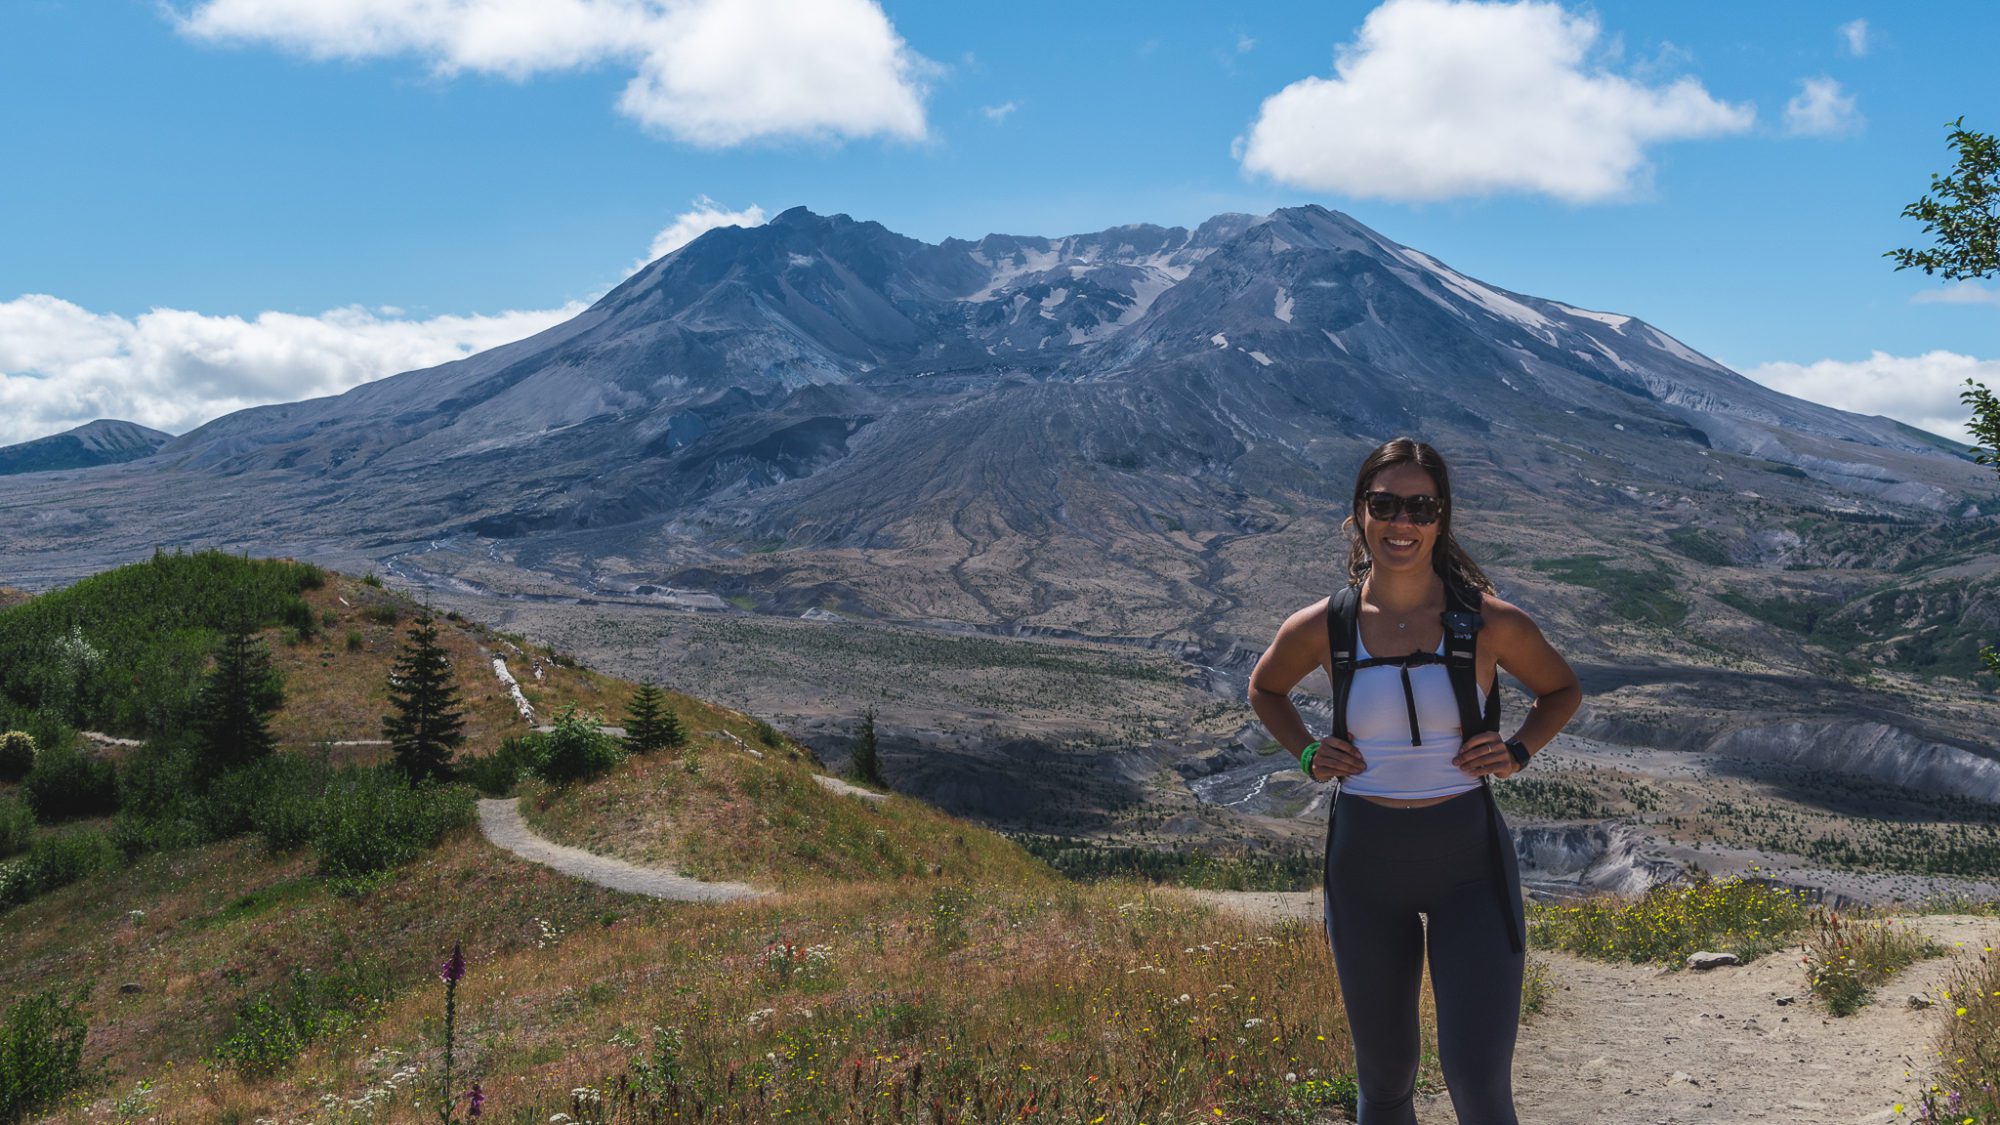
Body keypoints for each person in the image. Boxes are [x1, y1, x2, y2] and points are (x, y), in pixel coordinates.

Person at [1246, 437, 1581, 1125]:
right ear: (1359, 514)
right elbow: (1265, 688)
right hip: (1364, 869)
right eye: (1386, 504)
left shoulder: (1488, 621)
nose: (1403, 522)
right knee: (1386, 1083)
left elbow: (1562, 689)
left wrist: (1518, 749)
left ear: (1442, 517)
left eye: (1421, 506)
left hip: (1470, 868)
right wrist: (1309, 754)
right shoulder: (1325, 625)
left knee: (1479, 1084)